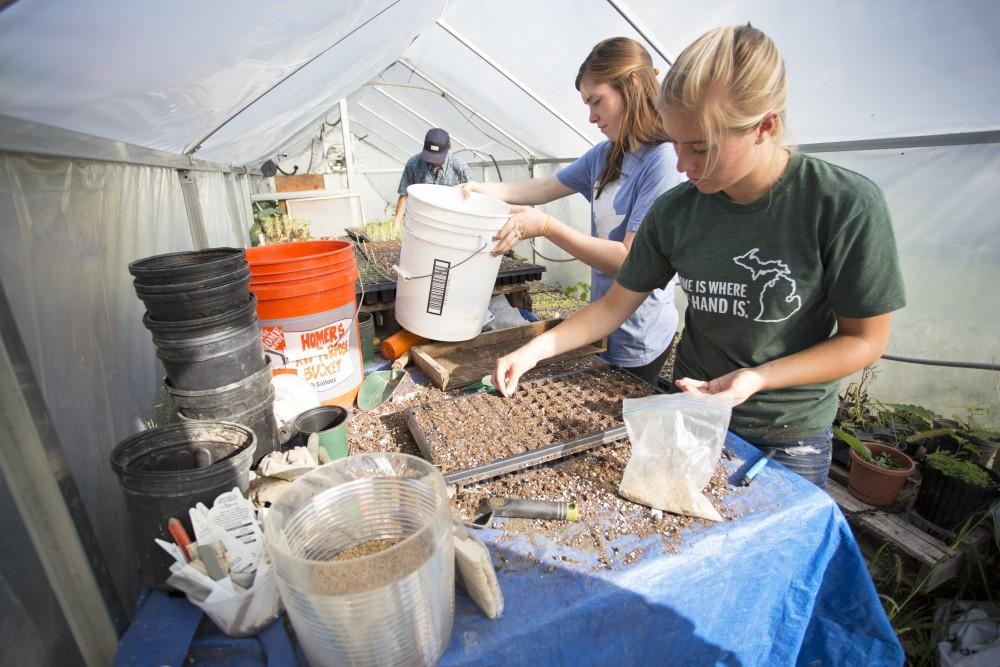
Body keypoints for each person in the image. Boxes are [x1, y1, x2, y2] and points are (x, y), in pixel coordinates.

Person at [490, 25, 906, 487]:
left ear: (764, 127)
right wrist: (533, 351)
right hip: (689, 409)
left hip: (787, 435)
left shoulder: (840, 205)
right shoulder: (678, 209)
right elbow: (613, 306)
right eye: (676, 142)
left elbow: (864, 340)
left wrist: (756, 378)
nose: (682, 165)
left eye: (701, 148)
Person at [462, 37, 683, 385]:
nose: (591, 116)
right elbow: (544, 187)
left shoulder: (663, 162)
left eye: (597, 101)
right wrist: (478, 190)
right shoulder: (605, 155)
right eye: (587, 104)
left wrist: (548, 227)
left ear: (634, 86)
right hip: (601, 322)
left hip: (640, 333)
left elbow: (630, 261)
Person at [393, 128, 471, 227]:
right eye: (431, 155)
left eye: (438, 156)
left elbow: (470, 197)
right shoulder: (414, 164)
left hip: (451, 223)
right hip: (420, 220)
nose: (434, 161)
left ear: (449, 147)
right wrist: (396, 223)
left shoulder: (460, 167)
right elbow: (404, 195)